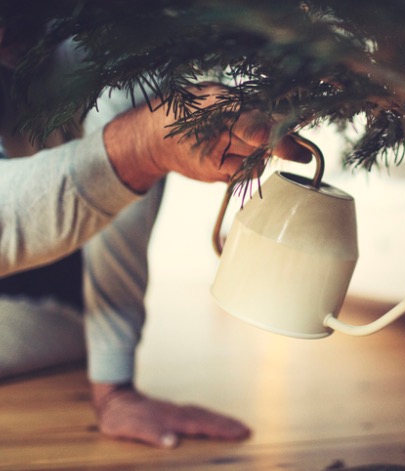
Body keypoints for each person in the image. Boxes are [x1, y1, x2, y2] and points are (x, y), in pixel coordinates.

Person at [0, 32, 310, 448]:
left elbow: (127, 91)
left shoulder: (92, 44)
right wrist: (145, 144)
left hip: (62, 287)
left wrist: (114, 385)